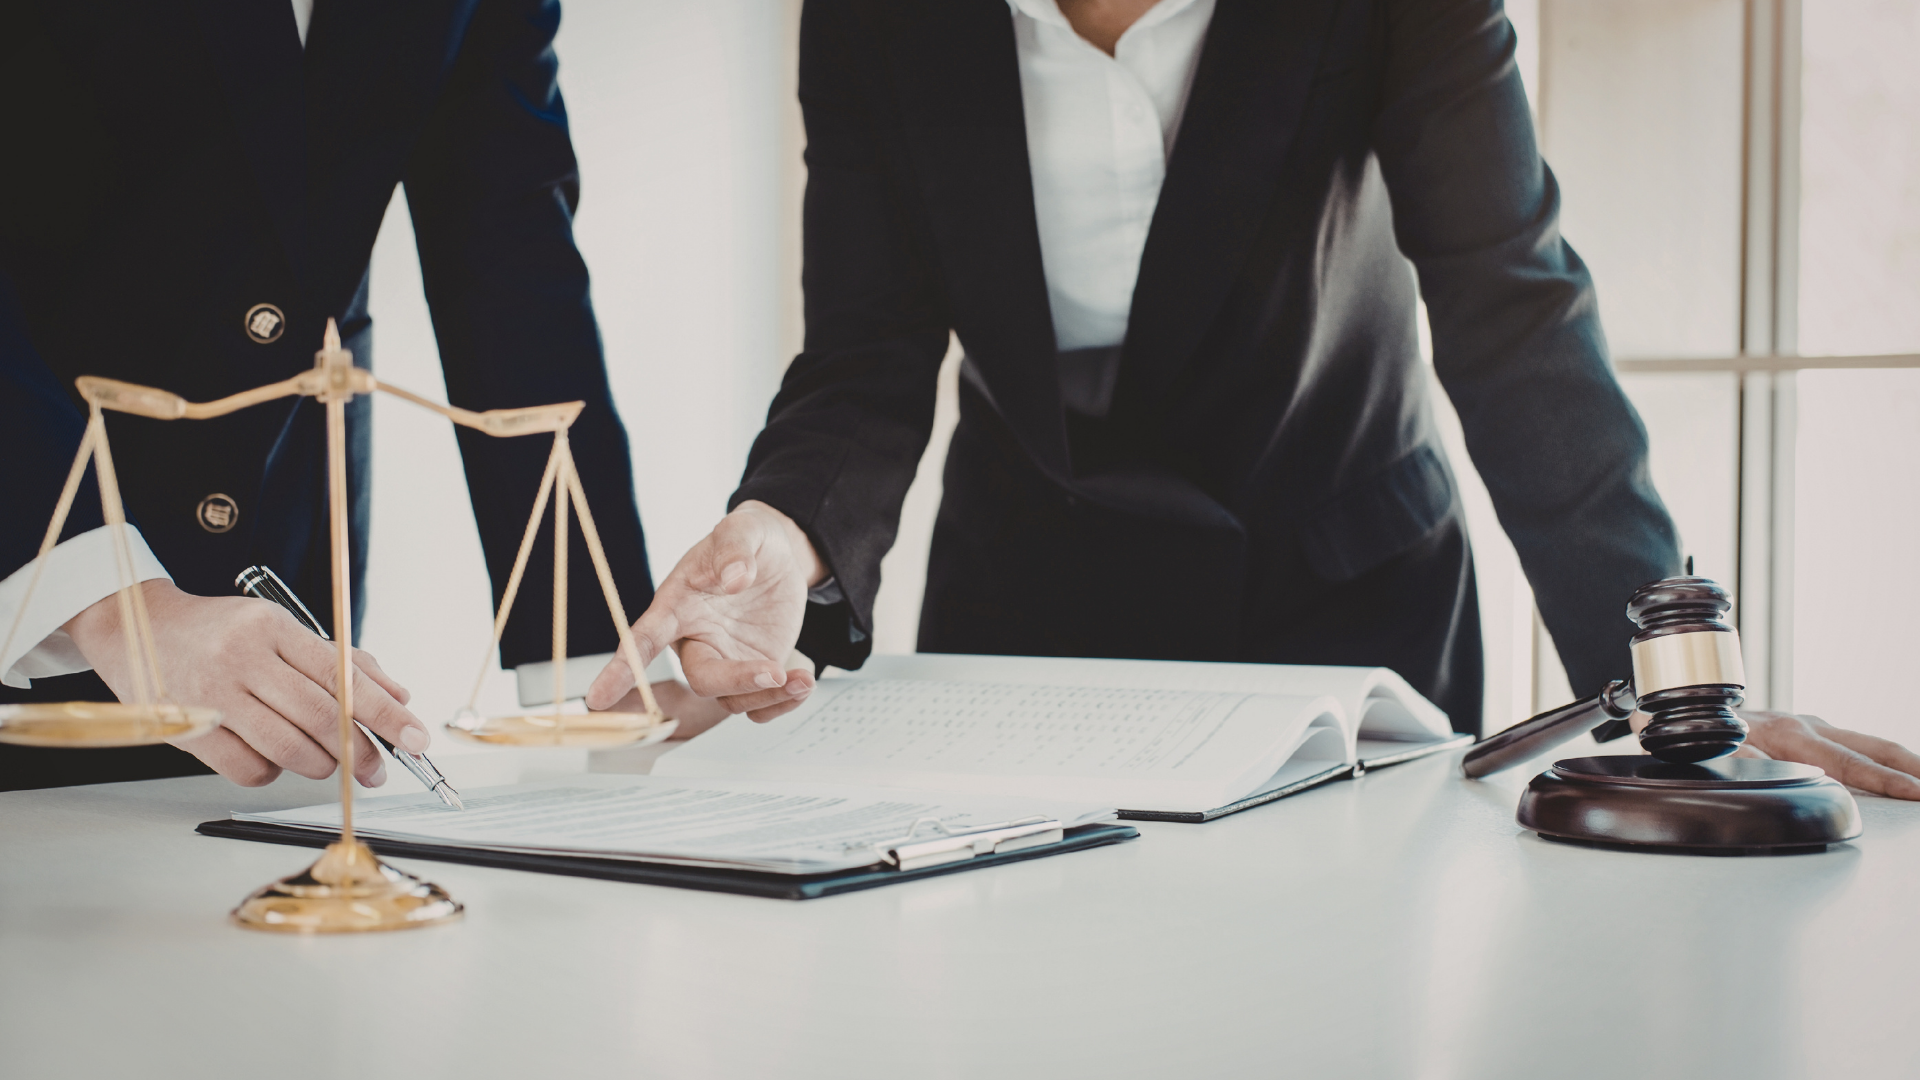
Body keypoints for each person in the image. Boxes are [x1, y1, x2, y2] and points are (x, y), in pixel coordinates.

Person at [586, 0, 1920, 798]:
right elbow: (867, 349)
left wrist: (1679, 695)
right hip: (1029, 611)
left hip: (1340, 599)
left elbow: (1514, 311)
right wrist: (777, 529)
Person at [0, 0, 688, 791]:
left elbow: (505, 226)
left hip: (272, 549)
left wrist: (603, 663)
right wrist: (110, 602)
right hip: (31, 518)